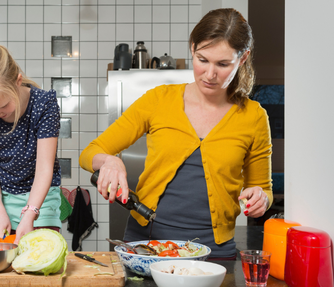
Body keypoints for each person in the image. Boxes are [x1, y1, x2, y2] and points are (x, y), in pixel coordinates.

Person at [79, 8, 272, 259]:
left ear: (243, 58)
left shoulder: (254, 117)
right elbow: (89, 153)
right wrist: (109, 160)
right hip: (146, 245)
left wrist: (261, 199)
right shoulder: (159, 99)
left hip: (215, 252)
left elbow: (263, 189)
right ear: (193, 48)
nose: (210, 74)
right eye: (202, 59)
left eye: (223, 64)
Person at [0, 42, 62, 244]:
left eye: (4, 106)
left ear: (18, 81)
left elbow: (44, 170)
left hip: (41, 200)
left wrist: (30, 214)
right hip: (2, 200)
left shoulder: (44, 104)